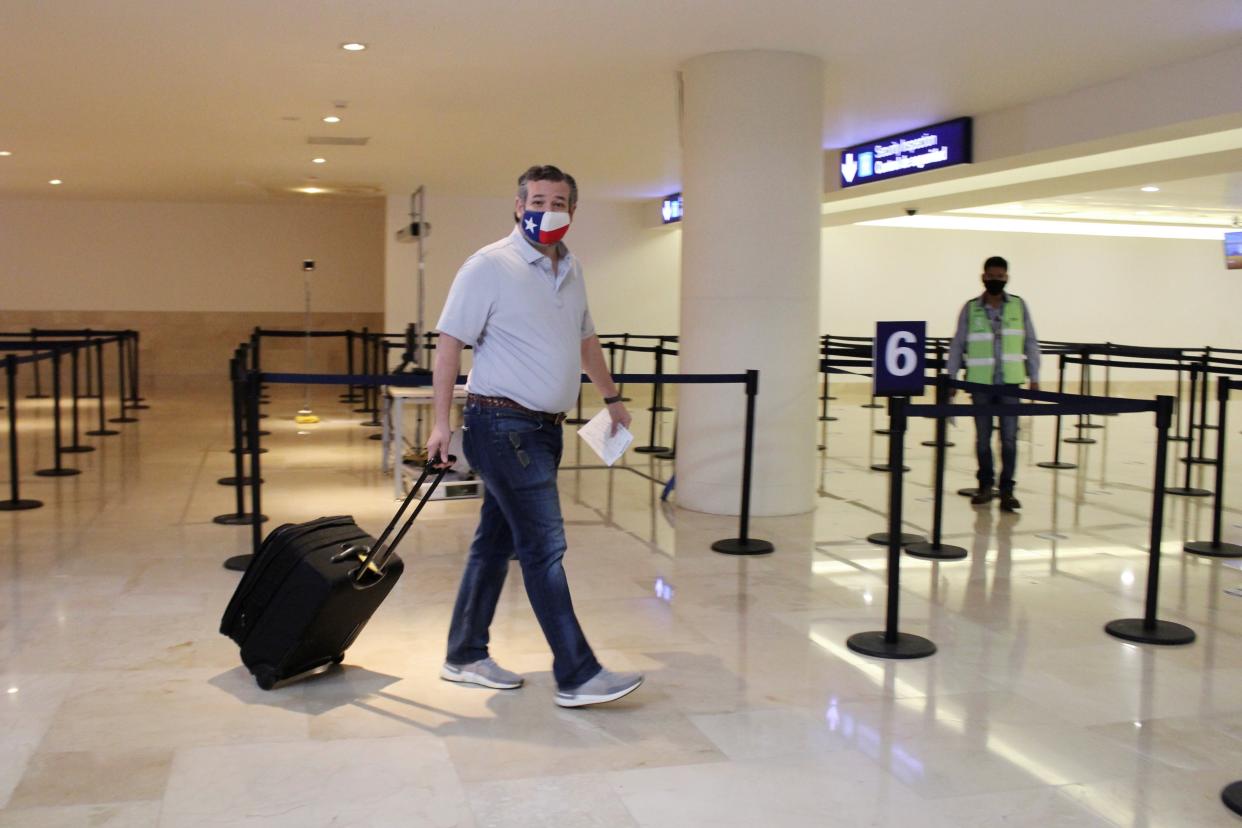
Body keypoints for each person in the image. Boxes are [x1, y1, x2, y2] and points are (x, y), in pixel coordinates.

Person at [425, 164, 644, 708]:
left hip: (544, 430)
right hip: (501, 425)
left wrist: (611, 399)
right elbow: (449, 344)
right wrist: (438, 422)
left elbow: (586, 338)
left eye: (561, 200)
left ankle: (464, 654)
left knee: (493, 545)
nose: (549, 208)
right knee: (544, 548)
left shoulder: (571, 270)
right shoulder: (489, 266)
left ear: (573, 211)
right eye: (539, 199)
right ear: (519, 206)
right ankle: (577, 672)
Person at [946, 256, 1040, 512]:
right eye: (991, 276)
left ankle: (1007, 489)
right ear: (983, 277)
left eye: (1000, 277)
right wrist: (951, 376)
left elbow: (1030, 342)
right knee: (983, 438)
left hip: (1010, 382)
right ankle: (985, 485)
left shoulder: (1018, 307)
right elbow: (958, 344)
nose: (995, 280)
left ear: (1006, 278)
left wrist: (1034, 376)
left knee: (1009, 439)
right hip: (980, 384)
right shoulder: (971, 308)